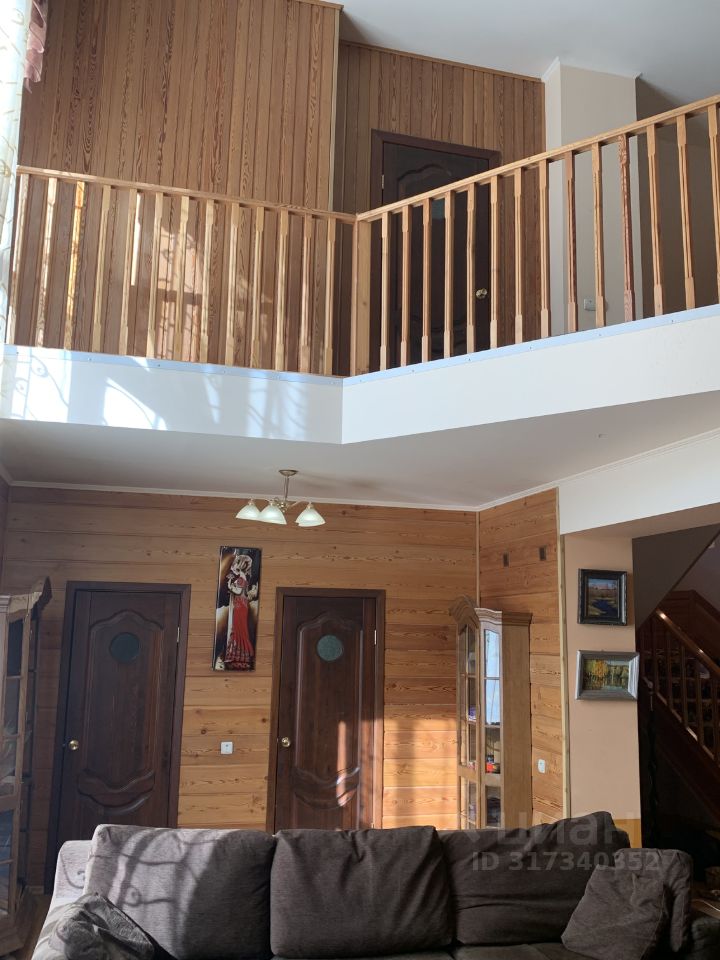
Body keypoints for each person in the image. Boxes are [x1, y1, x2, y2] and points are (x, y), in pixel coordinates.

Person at [223, 552, 258, 670]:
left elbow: (238, 592)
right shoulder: (243, 577)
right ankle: (242, 655)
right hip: (241, 605)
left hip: (239, 606)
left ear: (239, 565)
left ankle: (238, 655)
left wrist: (230, 586)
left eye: (234, 564)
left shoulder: (241, 578)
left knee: (238, 629)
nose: (232, 566)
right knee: (240, 629)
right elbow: (244, 593)